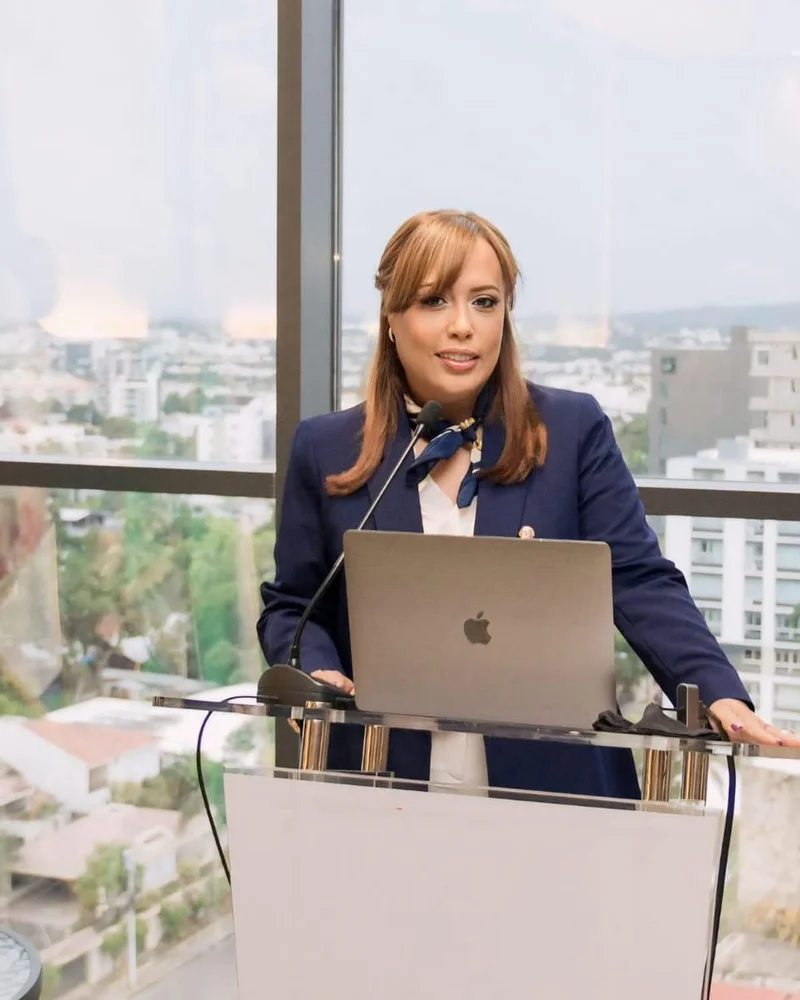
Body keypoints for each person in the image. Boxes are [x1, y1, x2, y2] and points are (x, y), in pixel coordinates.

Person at [258, 208, 800, 799]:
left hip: (557, 783)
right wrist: (314, 670)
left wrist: (716, 690)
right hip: (380, 780)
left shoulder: (572, 430)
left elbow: (640, 581)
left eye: (485, 302)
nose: (463, 326)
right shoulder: (325, 446)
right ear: (391, 318)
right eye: (434, 300)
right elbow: (291, 605)